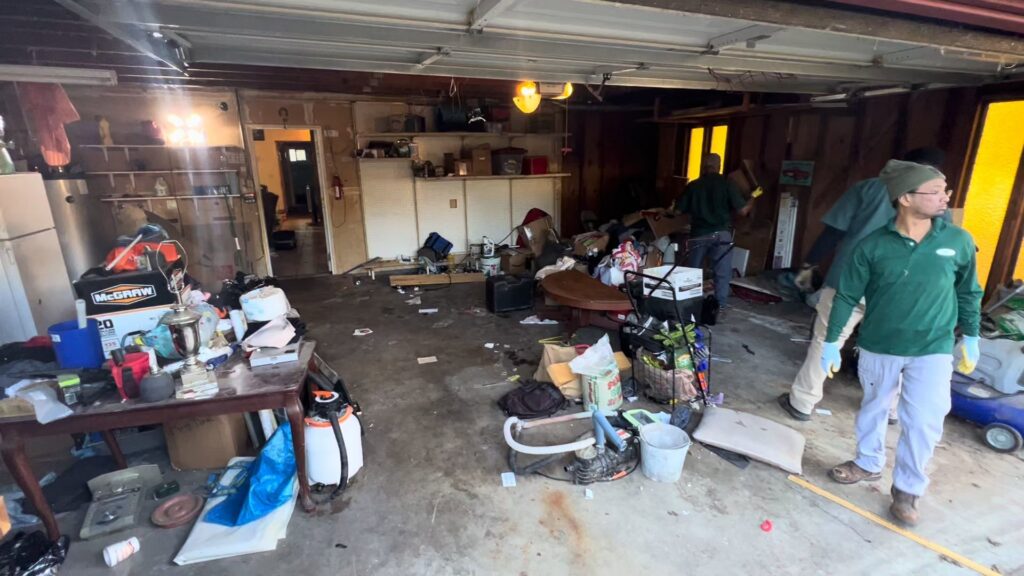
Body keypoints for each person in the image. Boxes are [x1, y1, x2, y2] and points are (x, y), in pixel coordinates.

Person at [820, 159, 982, 526]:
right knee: (874, 408)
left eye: (946, 191)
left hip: (933, 347)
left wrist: (971, 335)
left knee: (924, 420)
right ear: (906, 198)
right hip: (880, 343)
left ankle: (908, 490)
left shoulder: (957, 240)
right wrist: (832, 342)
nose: (946, 198)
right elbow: (846, 295)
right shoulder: (873, 246)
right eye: (936, 192)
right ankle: (867, 462)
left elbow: (969, 291)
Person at [778, 148, 947, 422]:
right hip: (899, 290)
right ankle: (889, 409)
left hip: (849, 282)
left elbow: (833, 231)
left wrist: (809, 265)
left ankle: (801, 402)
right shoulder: (936, 202)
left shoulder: (869, 189)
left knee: (827, 341)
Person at [673, 153, 752, 309]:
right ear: (719, 166)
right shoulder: (727, 183)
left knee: (692, 272)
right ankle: (719, 306)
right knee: (722, 272)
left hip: (698, 234)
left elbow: (676, 211)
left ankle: (690, 306)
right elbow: (743, 211)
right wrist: (753, 198)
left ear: (703, 166)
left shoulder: (694, 185)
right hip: (721, 234)